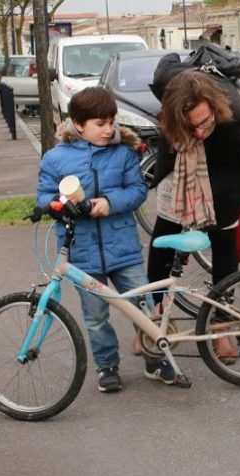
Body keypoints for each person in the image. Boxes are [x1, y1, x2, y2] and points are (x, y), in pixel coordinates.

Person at [149, 69, 240, 363]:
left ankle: (221, 322)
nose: (201, 132)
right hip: (180, 170)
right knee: (162, 242)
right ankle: (156, 313)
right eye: (194, 127)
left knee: (224, 242)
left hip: (227, 175)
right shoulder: (174, 113)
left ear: (214, 107)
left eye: (205, 122)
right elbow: (168, 154)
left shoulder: (236, 116)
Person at [36, 87, 161, 392]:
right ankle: (107, 366)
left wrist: (109, 202)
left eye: (111, 122)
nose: (109, 129)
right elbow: (44, 197)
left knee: (142, 306)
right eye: (100, 124)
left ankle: (157, 359)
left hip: (125, 248)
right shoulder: (55, 159)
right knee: (95, 316)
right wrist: (59, 206)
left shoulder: (124, 152)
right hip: (83, 252)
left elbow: (137, 190)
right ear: (78, 124)